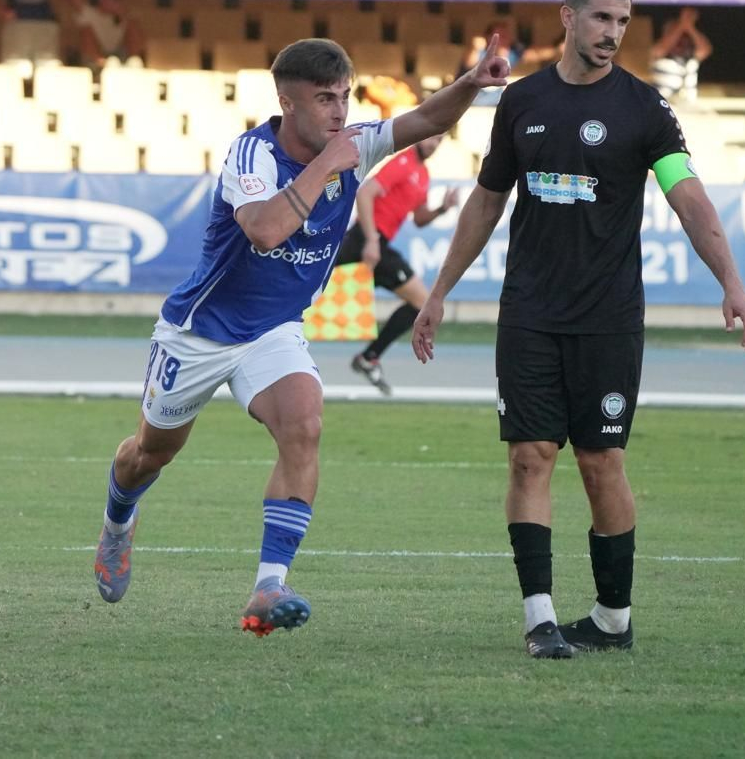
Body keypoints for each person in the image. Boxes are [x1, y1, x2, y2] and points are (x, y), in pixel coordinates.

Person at [92, 36, 510, 636]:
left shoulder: (352, 144)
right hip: (200, 332)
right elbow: (264, 231)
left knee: (305, 421)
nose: (340, 113)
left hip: (272, 331)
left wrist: (472, 83)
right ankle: (117, 522)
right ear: (287, 102)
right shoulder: (252, 155)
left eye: (344, 97)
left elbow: (425, 120)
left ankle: (268, 587)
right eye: (323, 99)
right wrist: (326, 165)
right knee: (150, 454)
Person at [412, 0, 745, 660]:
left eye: (623, 22)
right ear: (568, 18)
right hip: (529, 314)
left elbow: (686, 196)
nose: (612, 34)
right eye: (601, 18)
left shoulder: (643, 110)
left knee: (602, 463)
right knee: (529, 457)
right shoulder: (521, 103)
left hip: (607, 317)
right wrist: (439, 292)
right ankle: (540, 618)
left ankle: (612, 618)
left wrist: (734, 283)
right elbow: (487, 200)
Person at [334, 133, 460, 394]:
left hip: (376, 244)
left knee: (421, 303)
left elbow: (419, 219)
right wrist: (370, 240)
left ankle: (369, 357)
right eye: (431, 138)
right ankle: (369, 358)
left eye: (439, 142)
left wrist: (442, 209)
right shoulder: (402, 161)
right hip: (366, 239)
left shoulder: (423, 174)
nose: (434, 145)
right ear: (421, 136)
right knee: (304, 276)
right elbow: (366, 193)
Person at [650, 6, 712, 102]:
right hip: (662, 101)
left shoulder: (692, 60)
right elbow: (660, 49)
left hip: (686, 103)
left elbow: (705, 50)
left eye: (684, 38)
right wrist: (682, 24)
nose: (680, 41)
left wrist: (689, 26)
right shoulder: (659, 54)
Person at [73, 0, 146, 68]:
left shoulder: (124, 15)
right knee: (85, 33)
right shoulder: (88, 12)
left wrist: (125, 16)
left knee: (133, 28)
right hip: (95, 60)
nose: (117, 2)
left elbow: (139, 43)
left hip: (119, 57)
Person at [0, 0, 60, 65]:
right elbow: (7, 13)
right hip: (18, 27)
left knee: (44, 60)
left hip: (43, 26)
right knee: (15, 60)